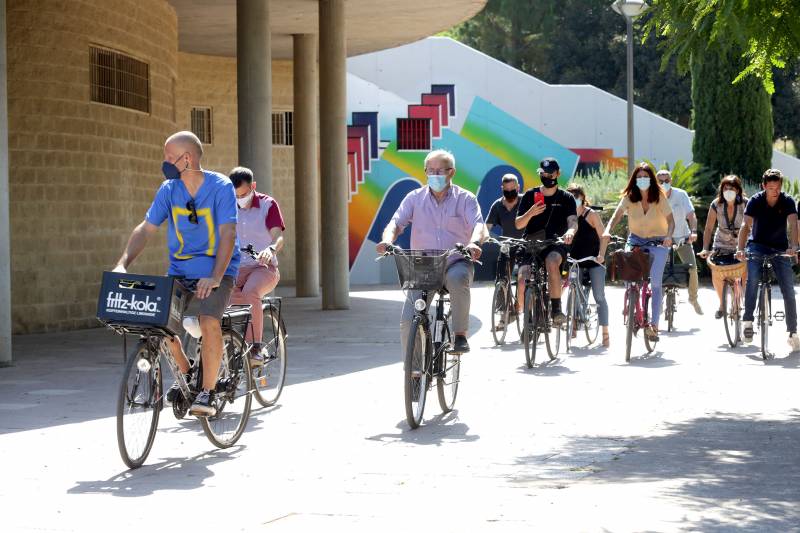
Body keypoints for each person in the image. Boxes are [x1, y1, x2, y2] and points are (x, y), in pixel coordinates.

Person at [113, 131, 239, 417]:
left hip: (217, 269)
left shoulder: (220, 187)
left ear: (187, 158)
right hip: (181, 270)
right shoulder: (169, 189)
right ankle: (188, 373)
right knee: (160, 323)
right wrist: (123, 263)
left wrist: (217, 276)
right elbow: (146, 229)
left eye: (169, 157)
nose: (165, 161)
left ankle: (207, 392)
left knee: (208, 320)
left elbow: (228, 233)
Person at [376, 149, 485, 354]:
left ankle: (460, 335)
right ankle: (415, 374)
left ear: (451, 172)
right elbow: (396, 223)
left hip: (455, 261)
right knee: (409, 320)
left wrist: (474, 243)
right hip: (423, 266)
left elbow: (478, 225)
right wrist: (386, 241)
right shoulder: (414, 198)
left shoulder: (465, 199)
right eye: (430, 170)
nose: (434, 175)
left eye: (440, 171)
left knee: (458, 278)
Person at [604, 162, 675, 341]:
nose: (642, 180)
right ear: (634, 180)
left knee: (656, 283)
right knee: (629, 275)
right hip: (635, 240)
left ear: (651, 179)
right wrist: (607, 230)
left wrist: (668, 236)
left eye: (646, 177)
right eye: (639, 177)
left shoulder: (659, 196)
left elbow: (671, 220)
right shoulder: (629, 196)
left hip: (658, 242)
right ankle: (631, 300)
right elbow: (617, 215)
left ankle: (654, 325)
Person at [735, 168, 799, 350]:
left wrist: (794, 246)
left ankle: (793, 332)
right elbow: (744, 226)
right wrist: (740, 249)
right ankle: (747, 321)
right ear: (764, 186)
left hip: (780, 247)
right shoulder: (755, 201)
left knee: (788, 287)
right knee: (753, 279)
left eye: (777, 187)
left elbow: (794, 224)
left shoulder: (787, 201)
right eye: (771, 187)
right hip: (757, 245)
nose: (775, 191)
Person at [228, 166, 285, 366]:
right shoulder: (227, 205)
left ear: (253, 186)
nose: (239, 199)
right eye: (235, 195)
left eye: (243, 194)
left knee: (250, 292)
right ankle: (228, 347)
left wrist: (271, 249)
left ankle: (256, 348)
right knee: (220, 298)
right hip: (236, 268)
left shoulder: (268, 204)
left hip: (263, 268)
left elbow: (278, 235)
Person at [515, 157, 577, 325]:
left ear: (558, 174)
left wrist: (570, 232)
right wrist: (531, 213)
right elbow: (519, 224)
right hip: (531, 244)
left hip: (555, 243)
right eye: (543, 174)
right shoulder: (529, 195)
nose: (547, 177)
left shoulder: (567, 198)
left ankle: (556, 309)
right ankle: (526, 318)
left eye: (550, 174)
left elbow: (573, 222)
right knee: (522, 280)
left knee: (552, 262)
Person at [566, 184, 610, 347]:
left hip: (593, 260)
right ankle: (574, 324)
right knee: (572, 290)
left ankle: (605, 332)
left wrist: (601, 255)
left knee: (599, 296)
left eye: (576, 197)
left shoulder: (590, 214)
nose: (574, 200)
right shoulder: (567, 216)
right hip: (574, 261)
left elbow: (604, 236)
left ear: (582, 198)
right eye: (571, 197)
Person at [698, 175, 748, 319]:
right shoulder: (716, 204)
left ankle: (738, 301)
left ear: (738, 190)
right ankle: (722, 304)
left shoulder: (746, 203)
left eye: (732, 188)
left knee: (745, 270)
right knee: (717, 273)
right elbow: (708, 228)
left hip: (742, 243)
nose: (728, 191)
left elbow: (753, 224)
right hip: (721, 243)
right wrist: (705, 248)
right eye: (725, 188)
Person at [656, 169, 703, 315]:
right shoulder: (654, 197)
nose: (664, 184)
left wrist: (694, 232)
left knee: (692, 268)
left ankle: (693, 299)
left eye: (667, 181)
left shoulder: (681, 194)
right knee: (659, 270)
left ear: (671, 181)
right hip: (662, 238)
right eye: (661, 181)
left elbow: (691, 214)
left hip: (682, 236)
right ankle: (659, 301)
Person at [486, 174, 527, 320]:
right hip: (507, 244)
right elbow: (487, 226)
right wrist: (483, 236)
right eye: (506, 190)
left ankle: (521, 306)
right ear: (502, 189)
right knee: (501, 278)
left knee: (525, 277)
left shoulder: (525, 202)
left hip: (525, 244)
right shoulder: (497, 205)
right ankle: (504, 314)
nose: (510, 193)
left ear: (518, 187)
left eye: (513, 190)